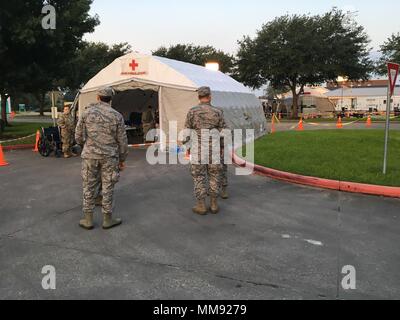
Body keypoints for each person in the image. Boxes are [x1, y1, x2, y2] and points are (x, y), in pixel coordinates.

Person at [75, 87, 128, 230]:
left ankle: (88, 219)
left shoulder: (86, 113)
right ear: (110, 99)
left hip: (90, 156)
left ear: (98, 97)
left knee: (88, 186)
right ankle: (107, 219)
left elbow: (78, 136)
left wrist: (85, 146)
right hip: (109, 157)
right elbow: (122, 141)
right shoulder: (117, 115)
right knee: (108, 186)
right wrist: (122, 159)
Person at [184, 86, 226, 215]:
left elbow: (187, 132)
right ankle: (214, 204)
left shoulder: (192, 112)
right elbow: (224, 132)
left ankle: (201, 205)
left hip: (198, 150)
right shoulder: (218, 112)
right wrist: (222, 147)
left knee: (199, 177)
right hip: (214, 150)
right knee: (214, 175)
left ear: (199, 97)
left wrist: (188, 147)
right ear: (210, 96)